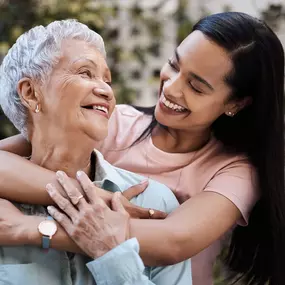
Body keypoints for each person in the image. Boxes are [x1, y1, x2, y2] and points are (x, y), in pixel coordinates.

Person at [0, 11, 284, 285]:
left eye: (196, 87)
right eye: (174, 65)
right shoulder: (114, 123)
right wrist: (100, 197)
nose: (172, 88)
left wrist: (35, 229)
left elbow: (172, 241)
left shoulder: (235, 171)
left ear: (235, 104)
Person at [0, 19, 192, 285]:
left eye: (107, 79)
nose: (105, 90)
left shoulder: (152, 202)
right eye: (85, 73)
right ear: (31, 93)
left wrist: (111, 253)